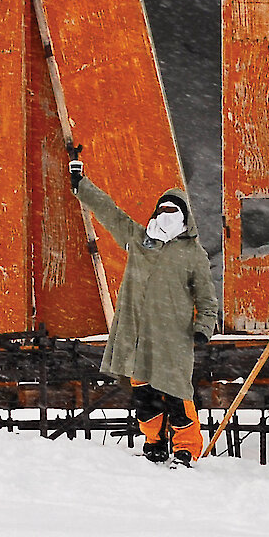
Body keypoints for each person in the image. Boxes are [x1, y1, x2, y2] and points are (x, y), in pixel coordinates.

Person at [70, 156, 219, 467]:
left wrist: (204, 328)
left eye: (172, 211)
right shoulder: (139, 239)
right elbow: (110, 213)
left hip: (173, 338)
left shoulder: (193, 253)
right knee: (145, 400)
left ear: (184, 218)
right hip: (137, 335)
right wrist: (81, 185)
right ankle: (154, 441)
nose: (165, 215)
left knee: (177, 395)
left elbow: (206, 298)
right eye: (161, 209)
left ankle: (186, 449)